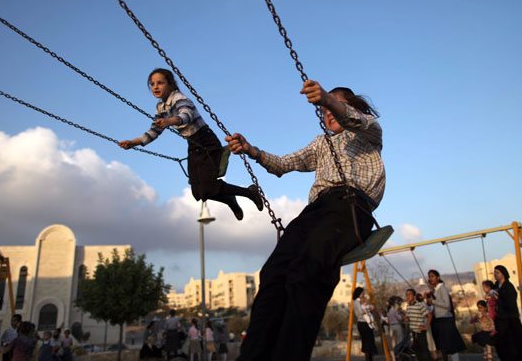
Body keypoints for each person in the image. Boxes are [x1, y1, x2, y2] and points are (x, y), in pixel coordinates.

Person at [226, 80, 384, 361]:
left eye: (335, 107)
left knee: (307, 270)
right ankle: (253, 355)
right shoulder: (321, 143)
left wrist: (327, 99)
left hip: (350, 206)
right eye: (324, 112)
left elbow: (354, 119)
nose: (328, 114)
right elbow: (286, 163)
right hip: (316, 210)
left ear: (353, 108)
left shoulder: (368, 131)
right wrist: (251, 150)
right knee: (274, 273)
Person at [119, 68, 263, 220]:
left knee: (208, 186)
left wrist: (169, 121)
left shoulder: (179, 98)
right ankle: (230, 199)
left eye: (160, 83)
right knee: (198, 191)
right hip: (193, 144)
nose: (155, 87)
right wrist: (133, 143)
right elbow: (154, 131)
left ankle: (249, 192)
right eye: (152, 84)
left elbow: (186, 115)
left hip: (206, 140)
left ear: (171, 84)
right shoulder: (160, 107)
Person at [427, 269, 465, 361]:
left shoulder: (442, 288)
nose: (431, 278)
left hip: (445, 319)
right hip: (439, 319)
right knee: (444, 345)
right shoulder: (436, 290)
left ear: (438, 277)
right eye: (429, 276)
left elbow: (447, 305)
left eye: (432, 276)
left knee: (451, 344)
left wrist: (434, 302)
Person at [493, 265, 522, 360]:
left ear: (503, 274)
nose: (495, 274)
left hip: (510, 321)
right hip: (500, 320)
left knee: (514, 346)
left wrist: (498, 299)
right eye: (495, 272)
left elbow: (509, 303)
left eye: (498, 272)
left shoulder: (508, 287)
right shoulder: (496, 286)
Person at [405, 289, 432, 361]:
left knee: (425, 351)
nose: (408, 296)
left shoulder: (419, 305)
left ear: (414, 296)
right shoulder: (408, 307)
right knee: (418, 352)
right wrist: (407, 320)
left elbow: (429, 315)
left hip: (420, 332)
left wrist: (426, 326)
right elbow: (408, 318)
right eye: (407, 294)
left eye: (410, 294)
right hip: (414, 332)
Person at [353, 287, 378, 361]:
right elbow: (361, 312)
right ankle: (368, 358)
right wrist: (368, 309)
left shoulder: (360, 301)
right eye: (362, 293)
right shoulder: (356, 302)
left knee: (370, 340)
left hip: (365, 322)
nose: (363, 294)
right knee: (367, 341)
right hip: (362, 323)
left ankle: (370, 356)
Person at [424, 292, 439, 361]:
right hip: (430, 325)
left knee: (431, 341)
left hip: (432, 325)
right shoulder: (426, 305)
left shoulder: (434, 305)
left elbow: (431, 315)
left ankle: (435, 356)